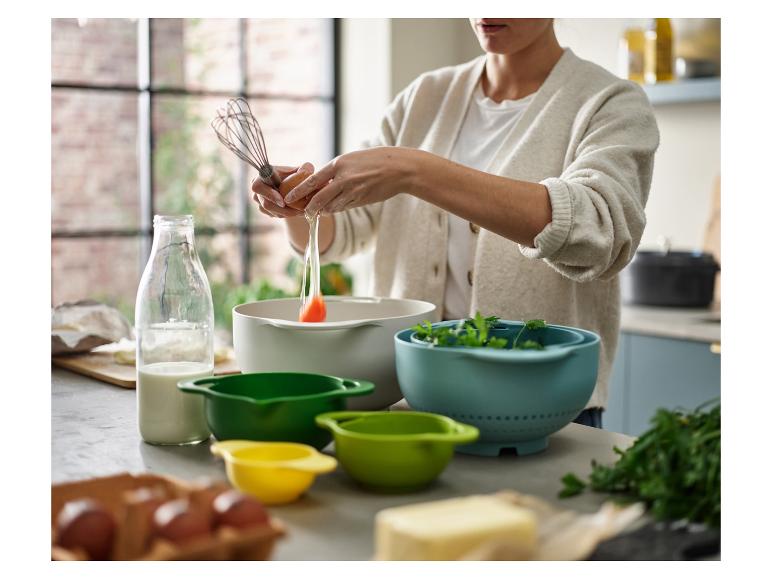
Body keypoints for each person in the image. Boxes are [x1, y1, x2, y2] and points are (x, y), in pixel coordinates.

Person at [251, 18, 659, 429]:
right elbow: (347, 231)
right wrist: (301, 205)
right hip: (410, 398)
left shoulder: (609, 102)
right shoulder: (424, 98)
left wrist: (416, 171)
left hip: (542, 409)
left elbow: (599, 231)